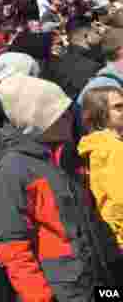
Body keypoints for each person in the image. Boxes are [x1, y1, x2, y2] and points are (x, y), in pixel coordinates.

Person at [0, 74, 119, 299]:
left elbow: (93, 221)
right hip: (63, 292)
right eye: (61, 113)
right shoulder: (13, 170)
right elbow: (13, 247)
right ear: (41, 120)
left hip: (98, 281)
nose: (71, 117)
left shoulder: (66, 156)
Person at [78, 85, 123, 279]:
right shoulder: (113, 149)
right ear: (100, 113)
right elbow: (120, 200)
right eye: (118, 107)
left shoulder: (92, 144)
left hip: (103, 240)